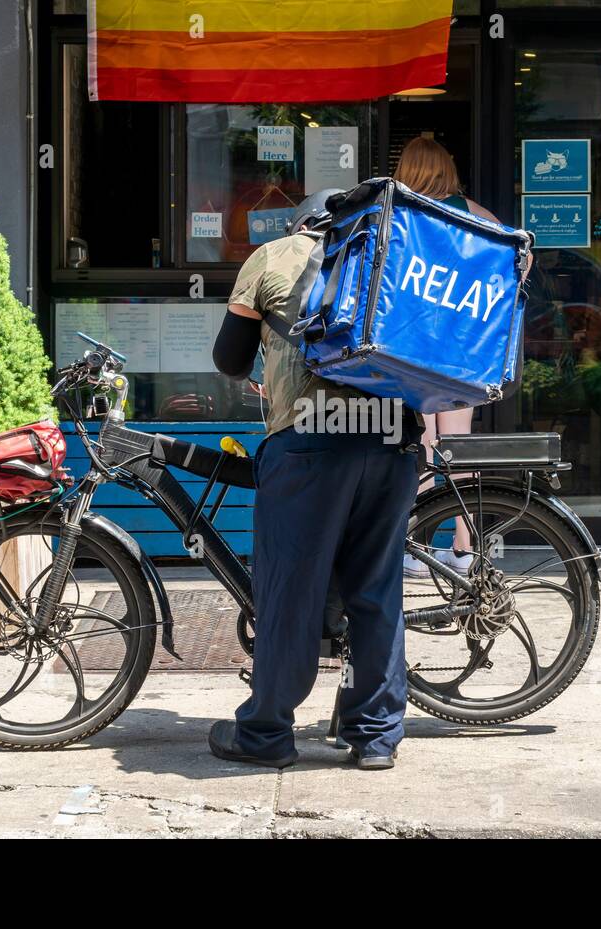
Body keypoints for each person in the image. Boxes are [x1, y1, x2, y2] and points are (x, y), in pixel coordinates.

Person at [208, 189, 421, 771]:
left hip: (310, 444)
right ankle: (374, 735)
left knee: (290, 592)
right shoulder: (395, 258)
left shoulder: (275, 256)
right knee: (376, 591)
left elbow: (229, 357)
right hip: (391, 440)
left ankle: (267, 733)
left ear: (301, 223)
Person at [393, 136, 510, 576]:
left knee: (422, 447)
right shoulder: (473, 213)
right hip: (464, 352)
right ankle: (466, 548)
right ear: (447, 169)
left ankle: (415, 546)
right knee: (459, 449)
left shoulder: (402, 213)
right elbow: (522, 257)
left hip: (413, 349)